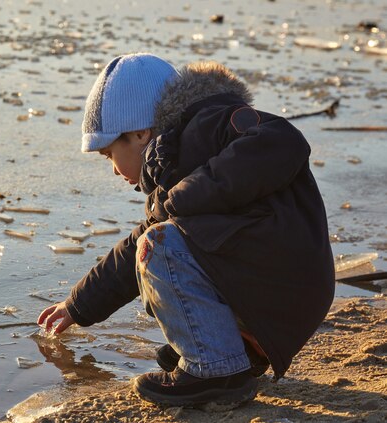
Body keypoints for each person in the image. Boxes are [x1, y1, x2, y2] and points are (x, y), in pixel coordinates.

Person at [37, 53, 335, 409]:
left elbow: (284, 139)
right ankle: (232, 348)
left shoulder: (209, 127)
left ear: (139, 133)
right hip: (282, 284)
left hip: (285, 278)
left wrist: (187, 195)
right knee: (154, 244)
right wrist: (78, 305)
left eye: (108, 154)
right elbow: (131, 250)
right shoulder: (178, 160)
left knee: (159, 246)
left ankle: (214, 368)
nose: (114, 170)